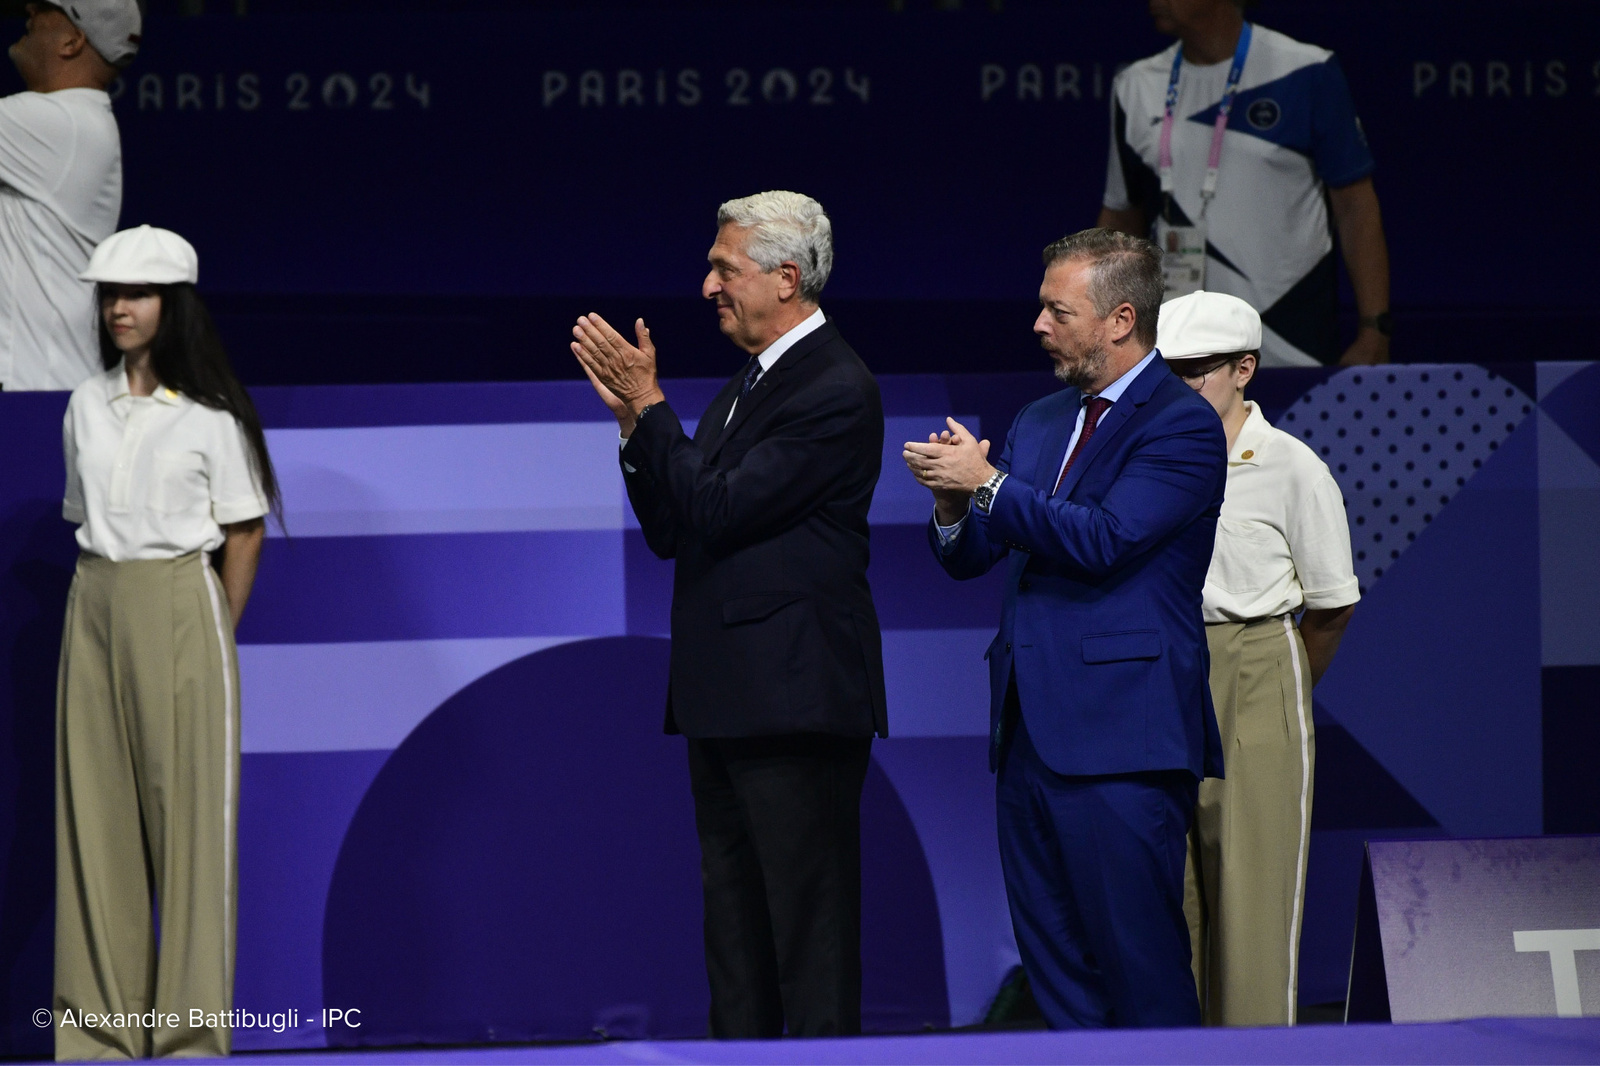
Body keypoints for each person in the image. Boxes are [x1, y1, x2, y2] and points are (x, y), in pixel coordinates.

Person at [570, 191, 887, 1038]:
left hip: (794, 699)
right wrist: (639, 426)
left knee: (807, 934)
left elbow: (716, 508)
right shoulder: (747, 387)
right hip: (728, 696)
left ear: (787, 278)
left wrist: (653, 409)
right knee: (736, 935)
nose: (706, 283)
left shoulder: (833, 387)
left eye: (724, 267)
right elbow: (676, 529)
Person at [904, 228, 1225, 1028]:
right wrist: (955, 503)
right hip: (1028, 737)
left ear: (1121, 319)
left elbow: (1104, 539)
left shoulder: (1180, 425)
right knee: (1056, 973)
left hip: (1122, 738)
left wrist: (989, 484)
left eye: (1057, 310)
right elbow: (976, 554)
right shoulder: (1043, 418)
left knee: (1139, 966)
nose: (1038, 326)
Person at [55, 225, 277, 1060]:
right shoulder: (85, 404)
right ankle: (95, 1037)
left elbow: (244, 530)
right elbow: (86, 516)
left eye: (136, 294)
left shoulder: (212, 417)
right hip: (95, 601)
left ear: (172, 306)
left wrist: (215, 627)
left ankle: (188, 1039)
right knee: (94, 819)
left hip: (184, 601)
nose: (118, 308)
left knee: (188, 831)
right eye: (109, 293)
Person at [1156, 290, 1358, 1026]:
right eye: (1164, 370)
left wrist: (1284, 689)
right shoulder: (1145, 462)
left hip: (1256, 666)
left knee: (1250, 906)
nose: (1176, 387)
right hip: (1159, 675)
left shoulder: (1290, 467)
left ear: (1244, 368)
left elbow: (1332, 604)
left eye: (1195, 371)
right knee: (1168, 903)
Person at [1097, 0, 1392, 369]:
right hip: (1176, 351)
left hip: (1292, 345)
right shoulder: (1135, 86)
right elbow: (1121, 220)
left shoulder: (1307, 70)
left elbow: (1355, 207)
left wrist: (1374, 327)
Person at [2, 0, 139, 391]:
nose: (30, 12)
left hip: (34, 391)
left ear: (72, 42)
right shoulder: (76, 121)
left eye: (45, 9)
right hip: (43, 384)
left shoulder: (61, 122)